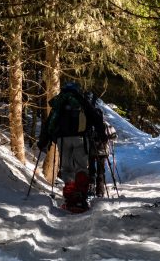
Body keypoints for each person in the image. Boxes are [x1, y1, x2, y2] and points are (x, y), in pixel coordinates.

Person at [37, 82, 107, 211]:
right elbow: (96, 118)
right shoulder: (82, 102)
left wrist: (43, 141)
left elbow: (49, 124)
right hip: (81, 138)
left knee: (67, 168)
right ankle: (80, 198)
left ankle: (70, 199)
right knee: (81, 167)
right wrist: (102, 136)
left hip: (62, 140)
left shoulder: (59, 103)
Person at [88, 109, 117, 197]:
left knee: (91, 170)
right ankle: (100, 191)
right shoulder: (106, 124)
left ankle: (91, 188)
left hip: (91, 151)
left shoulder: (90, 125)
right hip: (103, 151)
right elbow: (114, 136)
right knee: (101, 171)